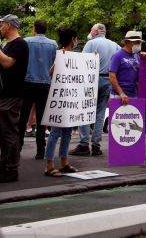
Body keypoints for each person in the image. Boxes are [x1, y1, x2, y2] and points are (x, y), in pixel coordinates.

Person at [0, 14, 29, 183]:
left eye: (1, 24)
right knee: (2, 133)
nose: (0, 27)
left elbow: (7, 63)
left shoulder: (19, 44)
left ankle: (11, 169)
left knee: (9, 133)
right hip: (1, 93)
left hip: (11, 95)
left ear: (9, 25)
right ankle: (4, 164)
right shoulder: (10, 44)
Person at [70, 23, 120, 157]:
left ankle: (83, 144)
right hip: (108, 80)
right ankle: (96, 146)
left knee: (85, 111)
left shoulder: (91, 43)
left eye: (91, 29)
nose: (90, 32)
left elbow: (82, 63)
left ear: (97, 31)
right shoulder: (115, 45)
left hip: (92, 80)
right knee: (100, 113)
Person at [44, 27, 80, 177]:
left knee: (67, 132)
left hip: (70, 98)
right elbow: (51, 72)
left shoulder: (75, 56)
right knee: (56, 132)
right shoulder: (61, 54)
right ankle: (49, 165)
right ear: (73, 39)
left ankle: (64, 162)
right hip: (60, 99)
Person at [19, 20, 58, 160]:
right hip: (45, 83)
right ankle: (41, 150)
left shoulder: (26, 41)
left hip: (28, 82)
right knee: (42, 118)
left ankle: (18, 146)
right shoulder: (53, 44)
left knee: (23, 116)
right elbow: (55, 64)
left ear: (34, 28)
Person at [109, 31, 145, 107]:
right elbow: (112, 76)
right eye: (137, 42)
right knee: (117, 119)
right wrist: (121, 93)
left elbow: (140, 74)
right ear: (130, 42)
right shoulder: (118, 55)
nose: (139, 45)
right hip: (118, 96)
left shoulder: (137, 56)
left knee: (133, 118)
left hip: (133, 95)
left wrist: (145, 59)